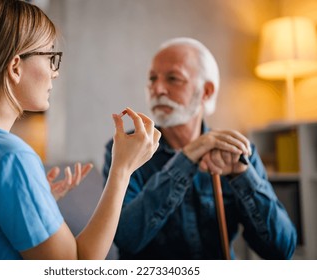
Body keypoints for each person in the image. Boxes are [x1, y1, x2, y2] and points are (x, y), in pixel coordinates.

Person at [0, 0, 160, 260]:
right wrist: (123, 169)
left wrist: (35, 202)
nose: (55, 73)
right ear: (15, 67)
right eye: (51, 57)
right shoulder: (8, 156)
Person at [102, 37, 297, 259]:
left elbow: (282, 250)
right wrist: (186, 159)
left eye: (173, 79)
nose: (157, 89)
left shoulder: (237, 153)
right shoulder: (125, 149)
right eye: (152, 79)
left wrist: (242, 175)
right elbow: (127, 239)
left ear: (206, 91)